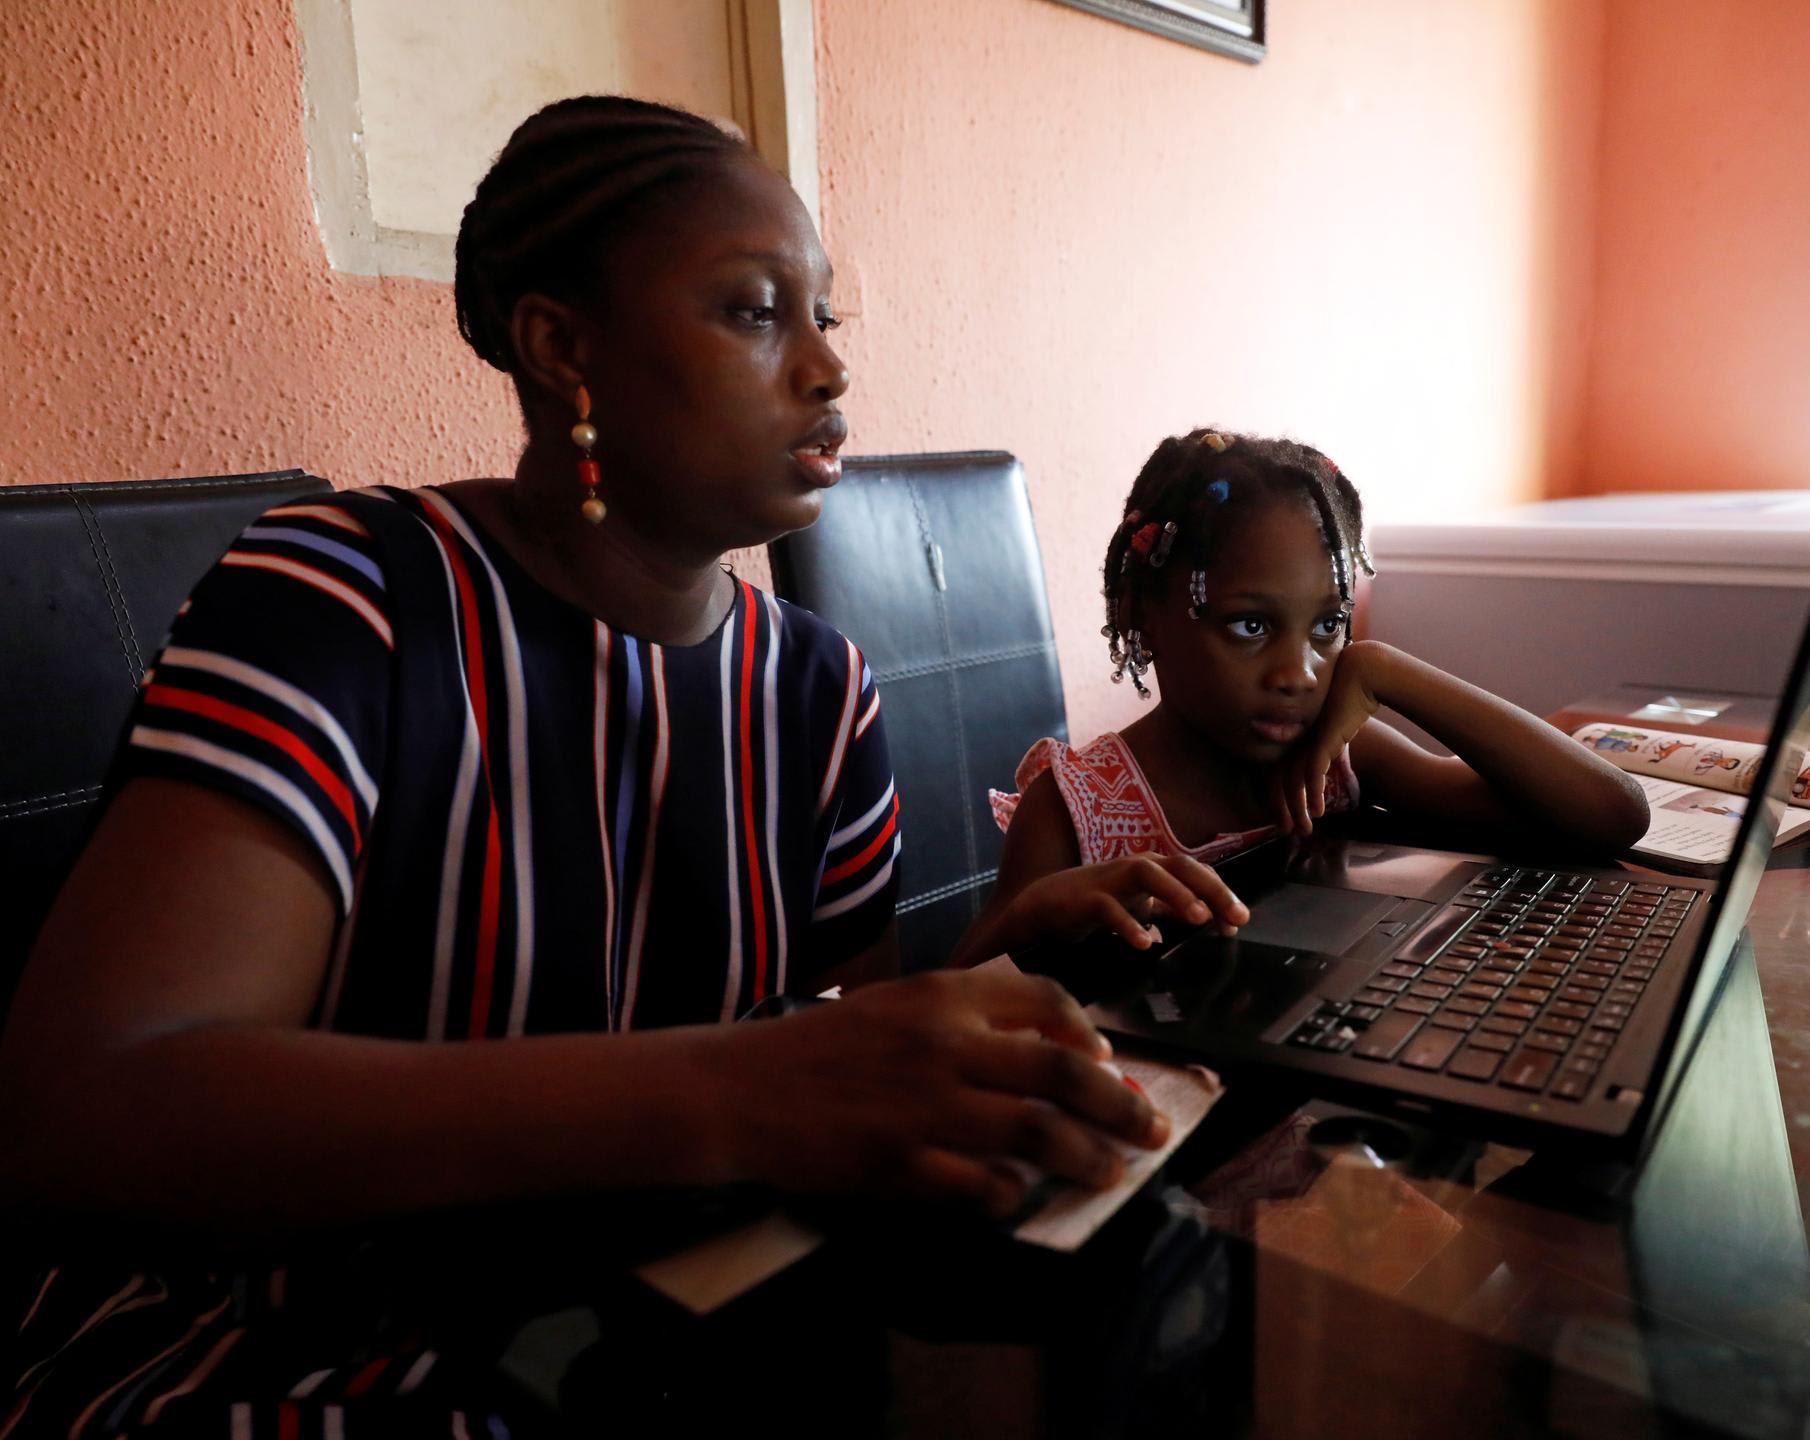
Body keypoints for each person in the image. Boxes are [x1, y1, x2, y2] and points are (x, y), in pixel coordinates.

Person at [0, 96, 1165, 1436]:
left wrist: (1002, 953)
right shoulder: (352, 600)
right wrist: (732, 1094)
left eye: (826, 314)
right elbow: (87, 1114)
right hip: (293, 1335)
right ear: (562, 347)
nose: (829, 370)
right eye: (752, 310)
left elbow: (837, 1058)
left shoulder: (813, 687)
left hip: (644, 1311)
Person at [955, 429, 1650, 967]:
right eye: (1250, 626)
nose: (1300, 672)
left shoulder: (1336, 754)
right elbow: (949, 994)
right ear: (1140, 613)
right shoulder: (1077, 808)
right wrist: (1034, 915)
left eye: (1328, 627)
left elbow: (1612, 814)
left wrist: (1386, 671)